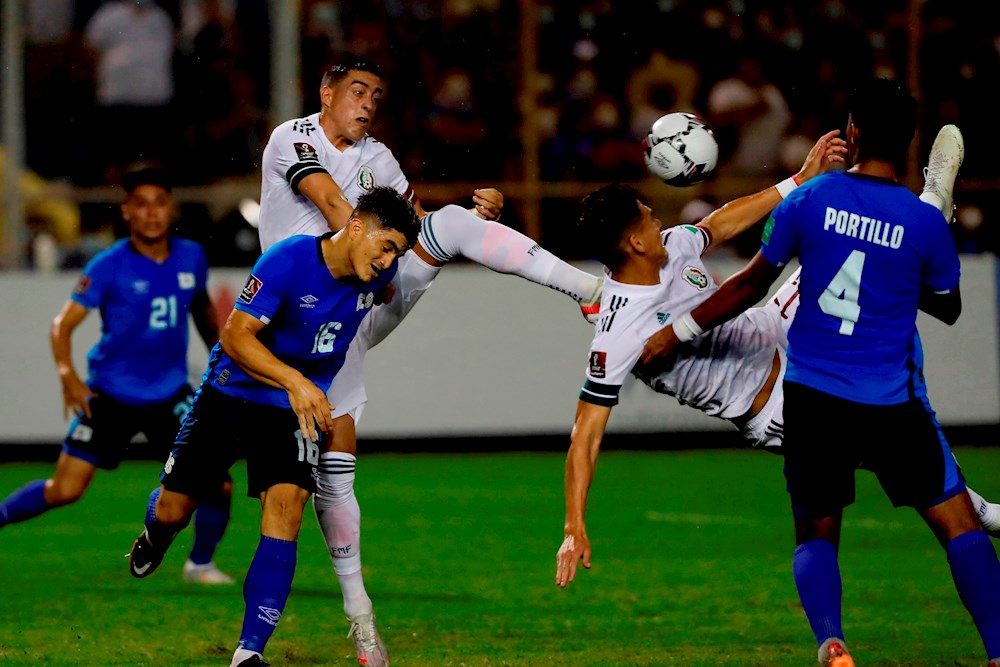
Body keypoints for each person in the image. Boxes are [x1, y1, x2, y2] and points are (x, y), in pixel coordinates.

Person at [630, 79, 1000, 667]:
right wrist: (911, 247)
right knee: (959, 527)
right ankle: (999, 651)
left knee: (816, 534)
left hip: (813, 398)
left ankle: (832, 644)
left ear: (851, 133)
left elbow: (752, 284)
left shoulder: (811, 200)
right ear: (908, 142)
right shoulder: (920, 224)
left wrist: (673, 333)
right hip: (892, 400)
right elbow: (947, 306)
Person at [256, 56, 604, 665]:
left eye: (377, 95)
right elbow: (336, 207)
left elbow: (410, 225)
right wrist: (390, 247)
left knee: (451, 224)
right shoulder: (293, 138)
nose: (366, 104)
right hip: (303, 323)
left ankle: (594, 293)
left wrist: (465, 223)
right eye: (356, 91)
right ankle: (360, 616)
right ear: (327, 92)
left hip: (364, 306)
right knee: (332, 477)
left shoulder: (382, 160)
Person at [127, 186, 422, 667]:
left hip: (290, 410)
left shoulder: (377, 276)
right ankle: (156, 535)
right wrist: (296, 382)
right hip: (230, 394)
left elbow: (432, 245)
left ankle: (248, 653)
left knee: (288, 507)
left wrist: (472, 216)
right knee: (175, 510)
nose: (390, 260)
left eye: (398, 252)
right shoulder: (287, 261)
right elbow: (235, 336)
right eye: (385, 246)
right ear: (354, 228)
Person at [0, 165, 234, 584]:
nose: (151, 213)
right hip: (111, 394)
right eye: (141, 205)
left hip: (169, 394)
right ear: (127, 212)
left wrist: (222, 357)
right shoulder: (109, 264)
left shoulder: (191, 256)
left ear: (170, 209)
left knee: (219, 485)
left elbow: (200, 307)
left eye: (159, 203)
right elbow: (62, 325)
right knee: (65, 490)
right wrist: (67, 374)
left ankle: (200, 564)